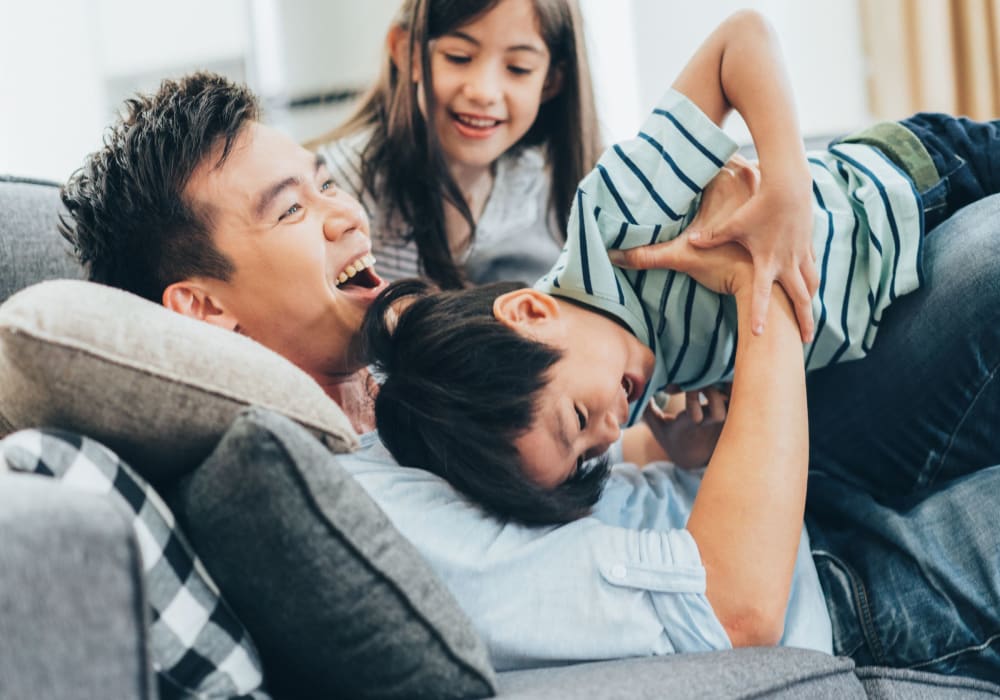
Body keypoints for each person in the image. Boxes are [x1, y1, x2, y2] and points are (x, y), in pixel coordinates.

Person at [57, 15, 1000, 682]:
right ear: (202, 309)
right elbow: (733, 609)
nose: (346, 215)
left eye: (320, 182)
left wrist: (652, 435)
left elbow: (578, 470)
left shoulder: (390, 396)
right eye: (295, 209)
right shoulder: (358, 506)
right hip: (841, 585)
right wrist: (762, 274)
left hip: (789, 469)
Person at [361, 10, 1000, 519]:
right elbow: (632, 439)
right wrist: (684, 449)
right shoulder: (613, 378)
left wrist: (786, 187)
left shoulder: (614, 218)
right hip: (884, 315)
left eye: (580, 424)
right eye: (588, 455)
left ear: (529, 312)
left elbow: (740, 40)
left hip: (911, 188)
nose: (607, 434)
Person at [308, 0, 601, 288]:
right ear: (407, 53)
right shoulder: (341, 185)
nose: (484, 92)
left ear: (551, 81)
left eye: (519, 68)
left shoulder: (539, 179)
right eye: (459, 57)